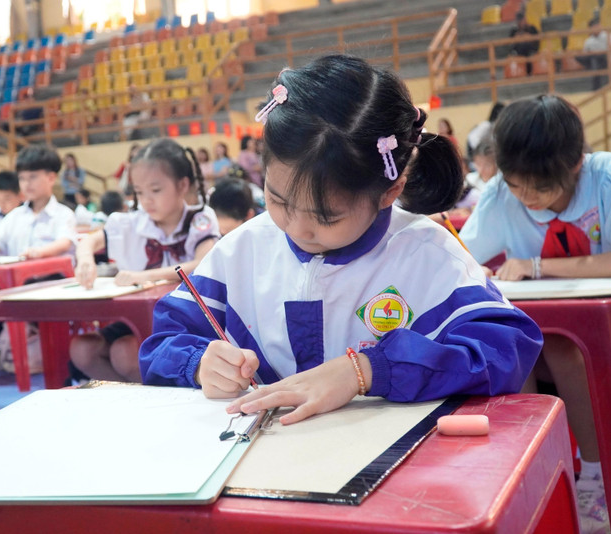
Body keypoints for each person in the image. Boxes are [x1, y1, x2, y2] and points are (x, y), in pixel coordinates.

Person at [139, 55, 542, 427]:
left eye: (326, 217)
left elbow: (507, 347)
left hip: (392, 461)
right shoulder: (241, 250)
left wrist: (366, 370)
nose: (297, 228)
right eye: (277, 201)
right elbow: (162, 344)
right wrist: (198, 363)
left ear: (389, 191)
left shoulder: (426, 254)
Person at [459, 95, 611, 533]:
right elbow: (462, 261)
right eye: (517, 186)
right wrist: (477, 270)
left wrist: (538, 266)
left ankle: (594, 475)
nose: (527, 198)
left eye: (540, 188)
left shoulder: (604, 174)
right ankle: (536, 477)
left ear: (575, 165)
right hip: (537, 334)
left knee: (559, 345)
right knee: (513, 346)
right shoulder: (500, 194)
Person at [69, 138, 220, 384]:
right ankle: (132, 397)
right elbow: (90, 241)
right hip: (138, 315)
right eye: (139, 192)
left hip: (183, 317)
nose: (147, 200)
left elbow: (201, 262)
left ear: (182, 185)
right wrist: (85, 259)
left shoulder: (200, 219)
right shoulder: (131, 222)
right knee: (82, 349)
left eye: (156, 190)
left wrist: (143, 276)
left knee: (125, 353)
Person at [0, 144, 77, 263]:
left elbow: (64, 242)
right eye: (22, 178)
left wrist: (39, 252)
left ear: (51, 178)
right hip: (19, 272)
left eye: (33, 177)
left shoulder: (63, 214)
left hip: (53, 273)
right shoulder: (14, 216)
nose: (26, 183)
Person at [582, 17, 611, 89]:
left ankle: (602, 85)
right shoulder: (588, 41)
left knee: (595, 60)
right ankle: (597, 87)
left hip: (606, 58)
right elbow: (585, 53)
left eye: (597, 26)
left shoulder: (608, 35)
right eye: (594, 27)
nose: (596, 28)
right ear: (590, 28)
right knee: (593, 59)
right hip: (595, 59)